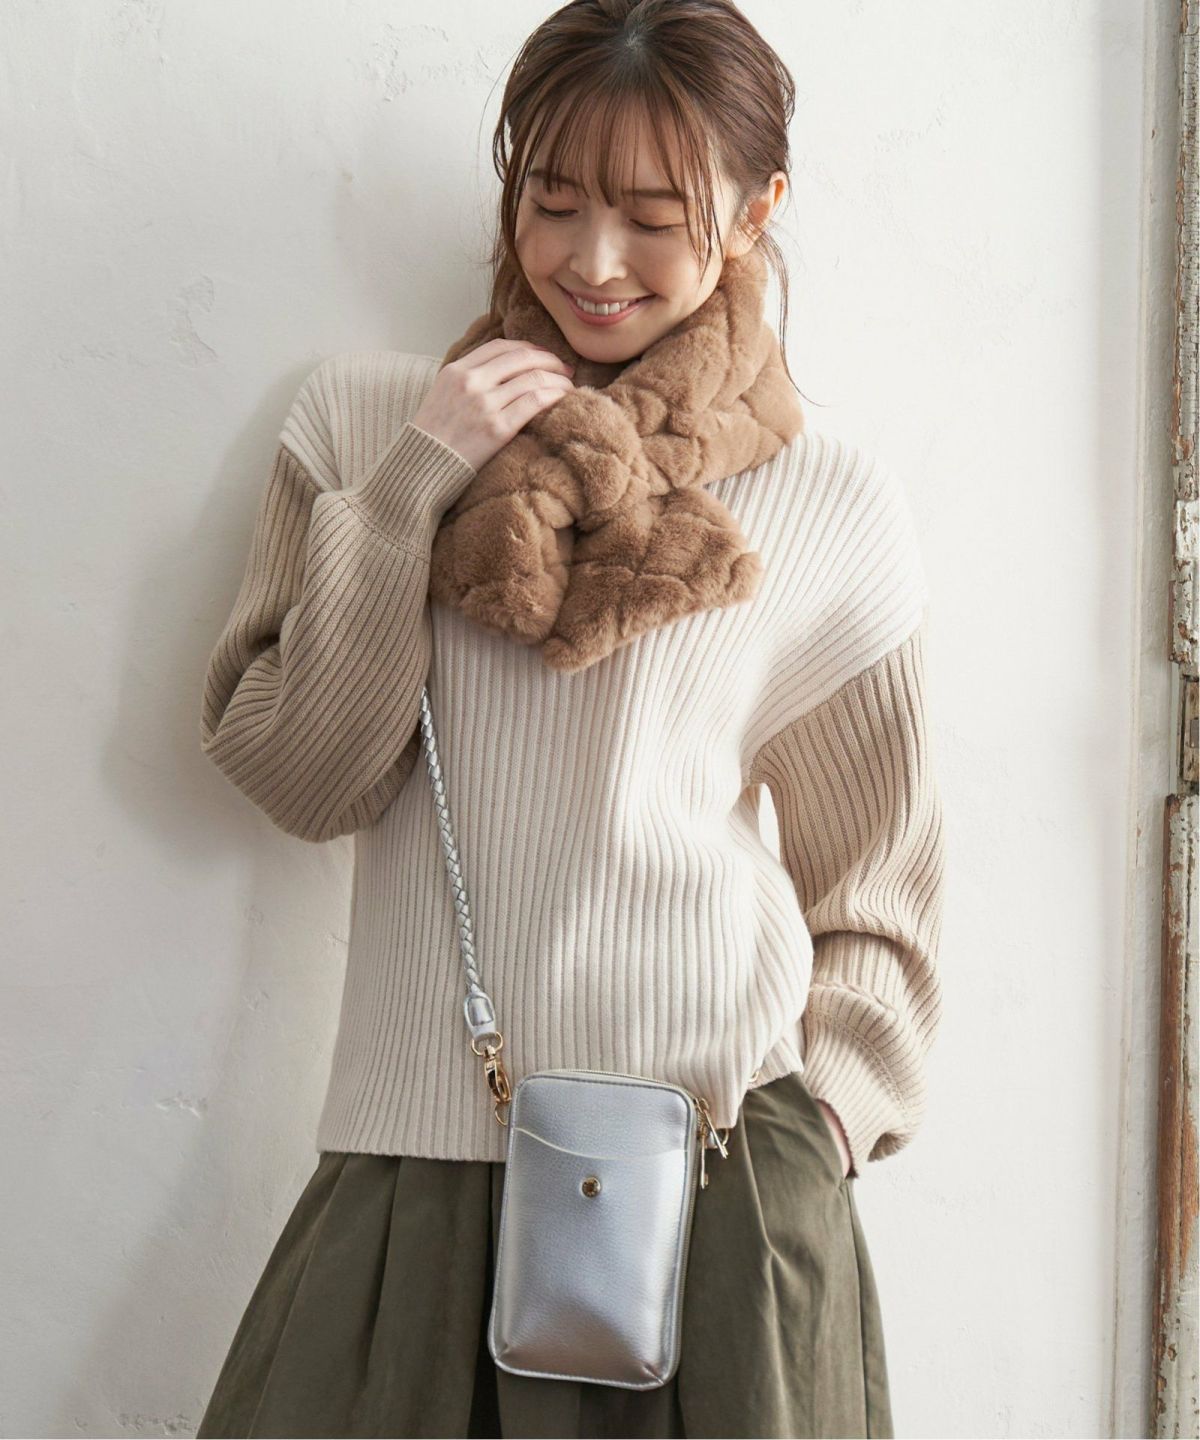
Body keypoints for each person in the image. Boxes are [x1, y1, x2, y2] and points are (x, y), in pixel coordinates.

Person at [194, 1, 945, 1436]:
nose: (595, 262)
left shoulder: (831, 503)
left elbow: (882, 887)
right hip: (417, 1185)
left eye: (655, 218)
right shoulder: (364, 428)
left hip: (718, 1195)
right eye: (553, 201)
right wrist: (417, 484)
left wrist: (825, 1125)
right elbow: (300, 776)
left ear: (755, 211)